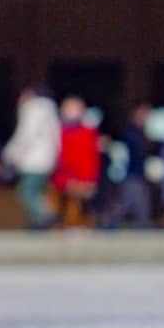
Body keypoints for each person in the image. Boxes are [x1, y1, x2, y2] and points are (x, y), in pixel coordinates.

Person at [2, 85, 60, 229]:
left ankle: (45, 216)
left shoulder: (33, 110)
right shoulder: (49, 111)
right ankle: (38, 222)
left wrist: (11, 154)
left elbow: (26, 135)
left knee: (26, 191)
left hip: (34, 160)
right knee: (35, 191)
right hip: (46, 159)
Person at [51, 95, 101, 229]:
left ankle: (82, 225)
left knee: (80, 204)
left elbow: (90, 158)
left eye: (75, 109)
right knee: (62, 203)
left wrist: (88, 179)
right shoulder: (56, 130)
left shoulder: (88, 132)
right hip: (61, 175)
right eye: (68, 108)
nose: (71, 112)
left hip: (82, 176)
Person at [105, 102, 153, 229]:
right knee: (132, 202)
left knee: (133, 201)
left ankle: (112, 224)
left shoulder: (141, 132)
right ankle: (110, 225)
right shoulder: (131, 133)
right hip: (131, 173)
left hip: (137, 173)